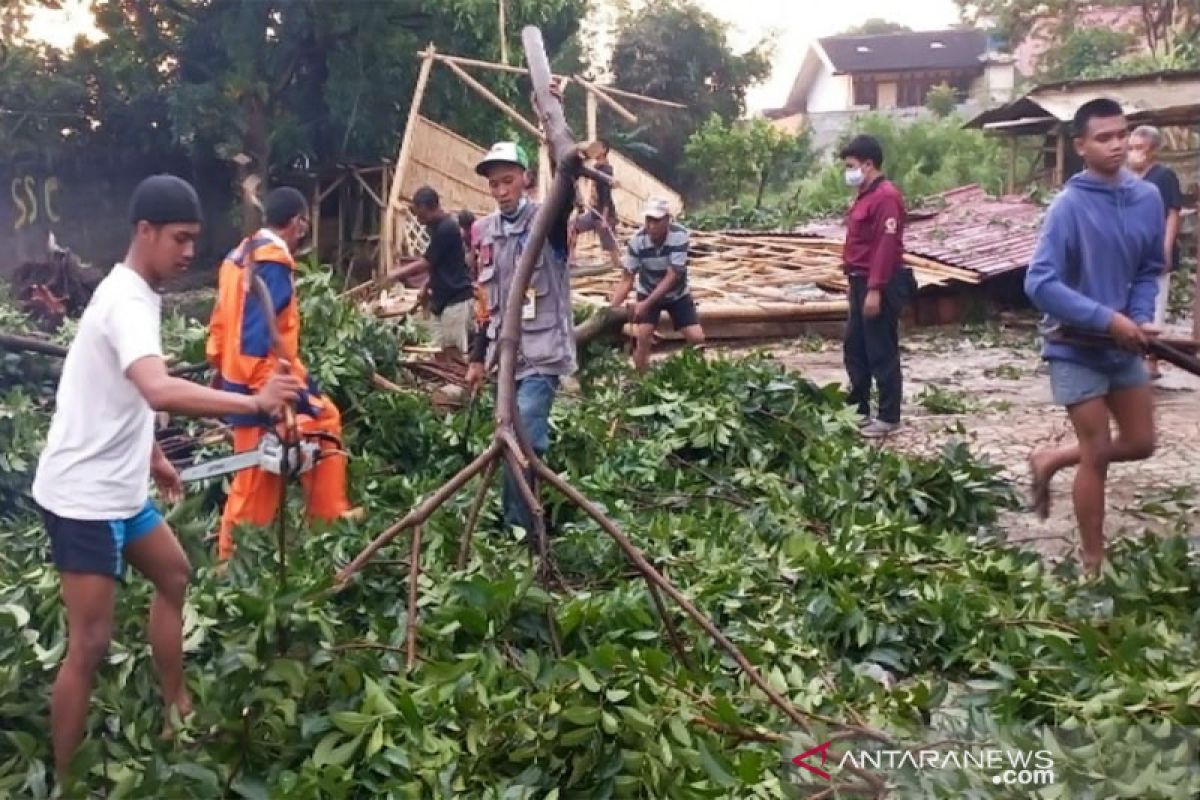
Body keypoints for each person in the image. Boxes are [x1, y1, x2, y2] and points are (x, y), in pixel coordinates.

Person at [31, 175, 302, 783]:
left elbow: (126, 394)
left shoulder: (137, 293)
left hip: (121, 488)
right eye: (179, 239)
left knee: (175, 573)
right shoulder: (126, 299)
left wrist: (152, 454)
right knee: (90, 645)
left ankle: (175, 703)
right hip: (84, 497)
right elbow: (155, 387)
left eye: (194, 240)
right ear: (144, 231)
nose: (188, 252)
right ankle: (65, 778)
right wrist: (255, 404)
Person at [1025, 98, 1163, 577]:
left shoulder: (1146, 198)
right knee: (1098, 451)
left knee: (1143, 441)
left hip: (1121, 344)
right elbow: (1039, 283)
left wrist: (1140, 318)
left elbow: (1149, 269)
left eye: (1122, 134)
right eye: (1104, 138)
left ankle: (1052, 456)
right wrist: (1107, 319)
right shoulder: (1069, 206)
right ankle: (1092, 562)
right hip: (1074, 346)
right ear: (1081, 146)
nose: (1117, 145)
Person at [206, 187, 351, 563]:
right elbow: (257, 337)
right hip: (261, 380)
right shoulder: (272, 263)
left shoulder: (238, 257)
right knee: (263, 472)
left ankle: (324, 517)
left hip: (240, 376)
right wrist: (271, 400)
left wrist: (219, 371)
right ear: (298, 223)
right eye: (305, 222)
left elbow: (220, 323)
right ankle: (237, 564)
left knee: (306, 433)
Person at [466, 133, 575, 534]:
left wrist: (558, 142)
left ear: (526, 179)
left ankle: (520, 527)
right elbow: (483, 300)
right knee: (506, 434)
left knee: (525, 430)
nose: (500, 191)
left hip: (543, 353)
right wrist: (478, 358)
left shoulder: (548, 222)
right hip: (504, 357)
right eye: (493, 184)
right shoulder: (484, 232)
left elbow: (565, 199)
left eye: (507, 181)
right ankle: (519, 518)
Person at [839, 134, 917, 439]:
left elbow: (885, 247)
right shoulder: (865, 195)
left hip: (879, 283)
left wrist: (875, 289)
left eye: (851, 165)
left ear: (868, 164)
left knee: (880, 349)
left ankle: (888, 416)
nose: (848, 172)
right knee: (854, 346)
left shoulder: (886, 197)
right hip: (859, 280)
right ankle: (858, 409)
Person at [609, 198, 705, 373]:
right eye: (648, 220)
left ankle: (699, 375)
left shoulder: (679, 236)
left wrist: (645, 305)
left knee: (697, 338)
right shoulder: (637, 241)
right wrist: (610, 310)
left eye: (656, 220)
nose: (651, 225)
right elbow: (627, 278)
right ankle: (641, 379)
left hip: (677, 294)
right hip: (647, 290)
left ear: (668, 220)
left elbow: (673, 276)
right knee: (643, 337)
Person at [387, 187, 475, 364]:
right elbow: (438, 264)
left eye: (422, 215)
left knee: (454, 354)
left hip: (455, 298)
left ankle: (459, 387)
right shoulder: (435, 228)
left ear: (433, 207)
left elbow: (427, 262)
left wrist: (395, 274)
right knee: (440, 351)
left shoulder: (447, 228)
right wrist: (426, 287)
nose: (419, 220)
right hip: (441, 299)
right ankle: (446, 386)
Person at [1127, 124, 1183, 379]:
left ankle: (1152, 360)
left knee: (1155, 303)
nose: (1134, 154)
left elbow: (1172, 213)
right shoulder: (1126, 178)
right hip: (1131, 252)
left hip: (1155, 248)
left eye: (1139, 148)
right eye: (1131, 148)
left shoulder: (1163, 176)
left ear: (1153, 151)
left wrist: (1166, 248)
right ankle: (1132, 355)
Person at [569, 138, 621, 272]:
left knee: (610, 245)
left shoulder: (606, 170)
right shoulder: (595, 168)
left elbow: (606, 195)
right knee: (573, 227)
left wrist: (604, 217)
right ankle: (571, 260)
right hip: (594, 212)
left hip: (603, 213)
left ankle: (619, 267)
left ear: (603, 150)